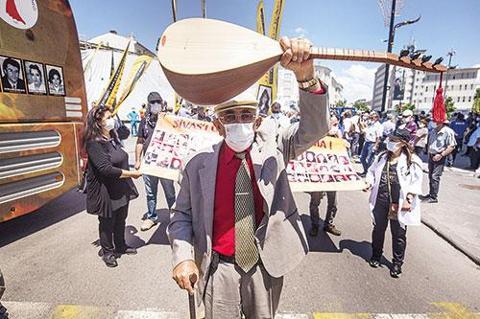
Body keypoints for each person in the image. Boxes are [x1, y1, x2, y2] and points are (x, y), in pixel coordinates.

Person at [168, 37, 330, 318]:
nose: (239, 122)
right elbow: (181, 215)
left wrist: (307, 80)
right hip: (220, 269)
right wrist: (182, 257)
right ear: (218, 125)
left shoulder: (275, 148)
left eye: (246, 115)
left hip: (263, 266)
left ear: (257, 122)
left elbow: (314, 128)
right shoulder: (196, 164)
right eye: (230, 116)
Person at [83, 106, 141, 267]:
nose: (111, 120)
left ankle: (121, 246)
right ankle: (108, 252)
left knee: (121, 219)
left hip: (120, 187)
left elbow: (127, 134)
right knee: (107, 222)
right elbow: (105, 169)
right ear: (98, 122)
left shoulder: (113, 136)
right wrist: (131, 174)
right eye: (108, 117)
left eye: (112, 116)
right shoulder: (94, 143)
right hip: (105, 190)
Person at [364, 128, 423, 278]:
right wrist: (369, 182)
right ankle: (376, 256)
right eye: (390, 139)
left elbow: (416, 182)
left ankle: (397, 263)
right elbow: (371, 172)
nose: (390, 143)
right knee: (378, 229)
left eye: (394, 141)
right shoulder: (382, 157)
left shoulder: (413, 161)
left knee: (398, 234)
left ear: (402, 143)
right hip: (381, 200)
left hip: (399, 203)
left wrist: (409, 199)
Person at [135, 92, 177, 231]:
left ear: (162, 103)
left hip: (164, 164)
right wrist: (137, 161)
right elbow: (140, 141)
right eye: (152, 102)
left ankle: (175, 217)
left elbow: (178, 139)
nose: (155, 105)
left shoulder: (168, 120)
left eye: (158, 102)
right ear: (148, 104)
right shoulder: (144, 122)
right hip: (149, 163)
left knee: (170, 192)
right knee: (150, 193)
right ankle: (152, 217)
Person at [309, 115, 343, 237]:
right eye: (332, 124)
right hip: (318, 176)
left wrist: (341, 142)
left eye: (336, 124)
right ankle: (314, 225)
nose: (334, 127)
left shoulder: (338, 138)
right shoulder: (316, 137)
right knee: (315, 202)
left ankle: (328, 224)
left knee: (333, 203)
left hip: (332, 177)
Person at [419, 119, 456, 203]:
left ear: (441, 122)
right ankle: (431, 193)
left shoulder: (448, 131)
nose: (434, 122)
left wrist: (441, 155)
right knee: (430, 176)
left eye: (436, 121)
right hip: (431, 155)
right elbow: (430, 142)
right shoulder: (433, 130)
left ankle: (433, 197)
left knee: (435, 176)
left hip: (439, 156)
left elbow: (451, 146)